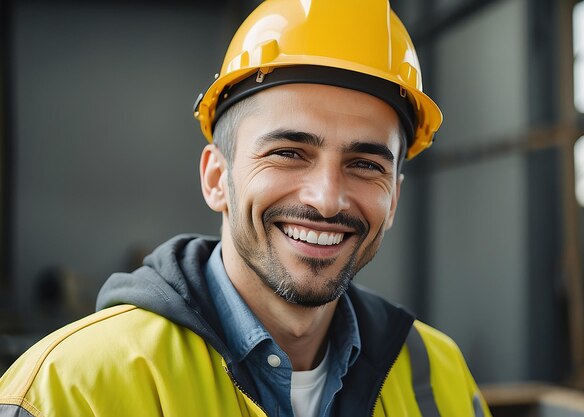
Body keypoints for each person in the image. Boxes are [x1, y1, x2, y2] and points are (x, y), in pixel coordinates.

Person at [0, 0, 492, 416]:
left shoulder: (439, 376)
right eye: (288, 152)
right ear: (217, 179)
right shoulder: (67, 390)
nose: (326, 198)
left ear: (394, 198)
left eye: (365, 164)